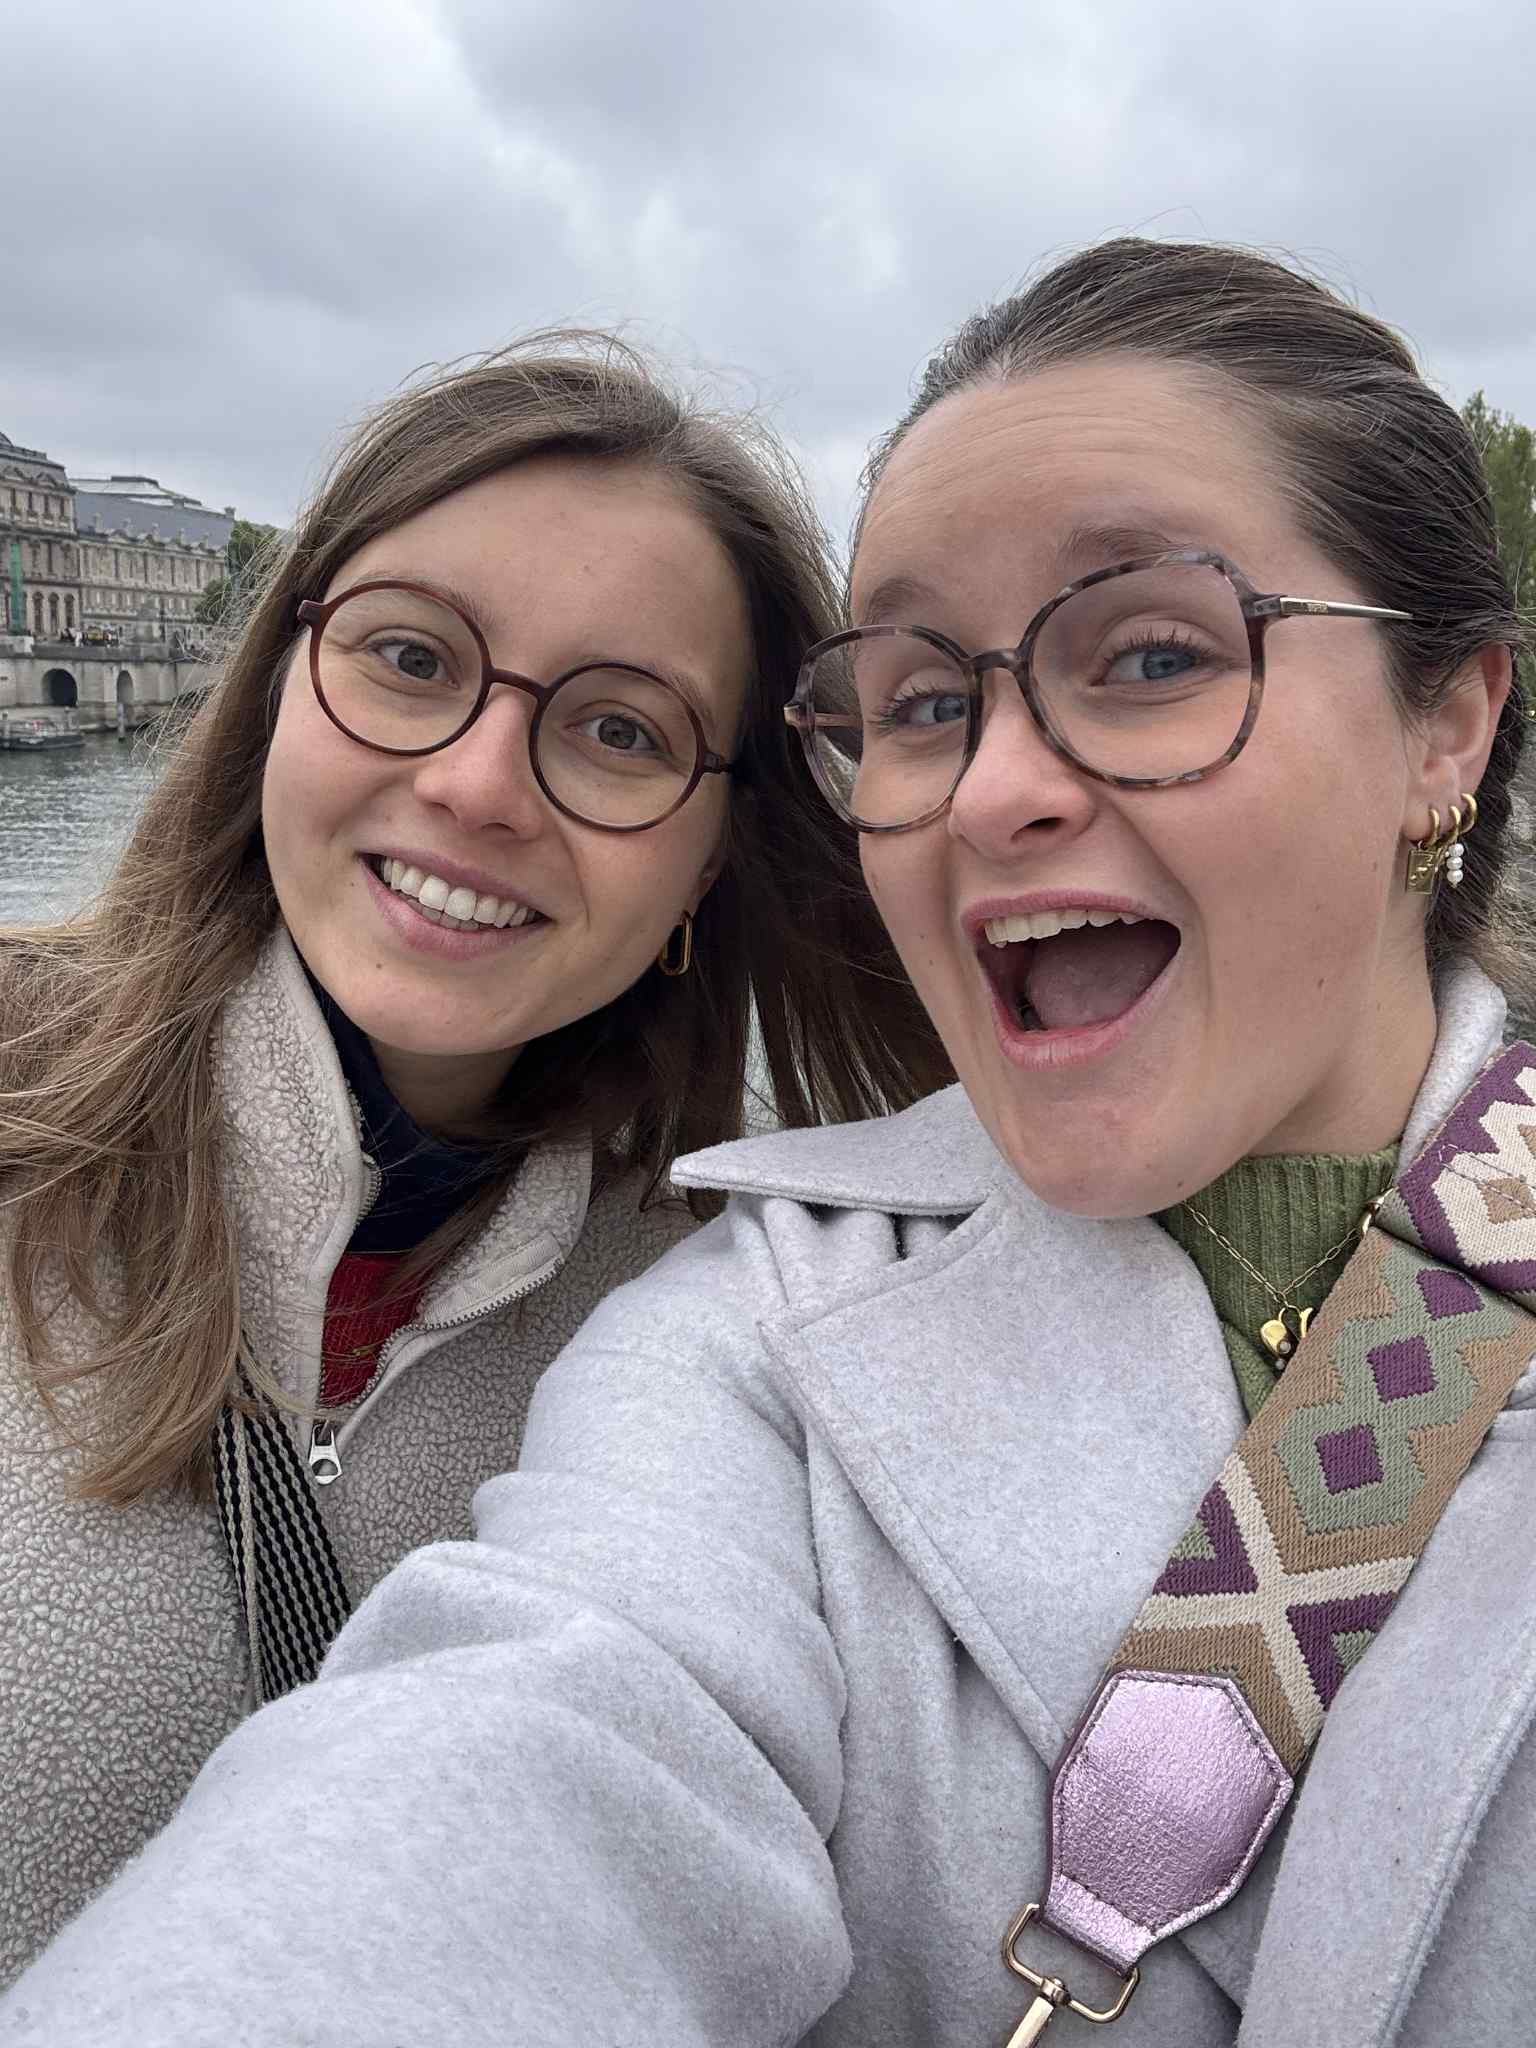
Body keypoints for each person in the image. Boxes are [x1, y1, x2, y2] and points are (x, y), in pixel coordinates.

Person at [2, 240, 1529, 2048]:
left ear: (1450, 722)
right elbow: (564, 1742)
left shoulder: (648, 1262)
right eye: (930, 701)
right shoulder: (739, 1340)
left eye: (1149, 653)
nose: (991, 786)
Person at [0, 332, 945, 1987]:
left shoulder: (735, 1323)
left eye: (621, 731)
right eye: (411, 657)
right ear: (281, 681)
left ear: (718, 852)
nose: (475, 784)